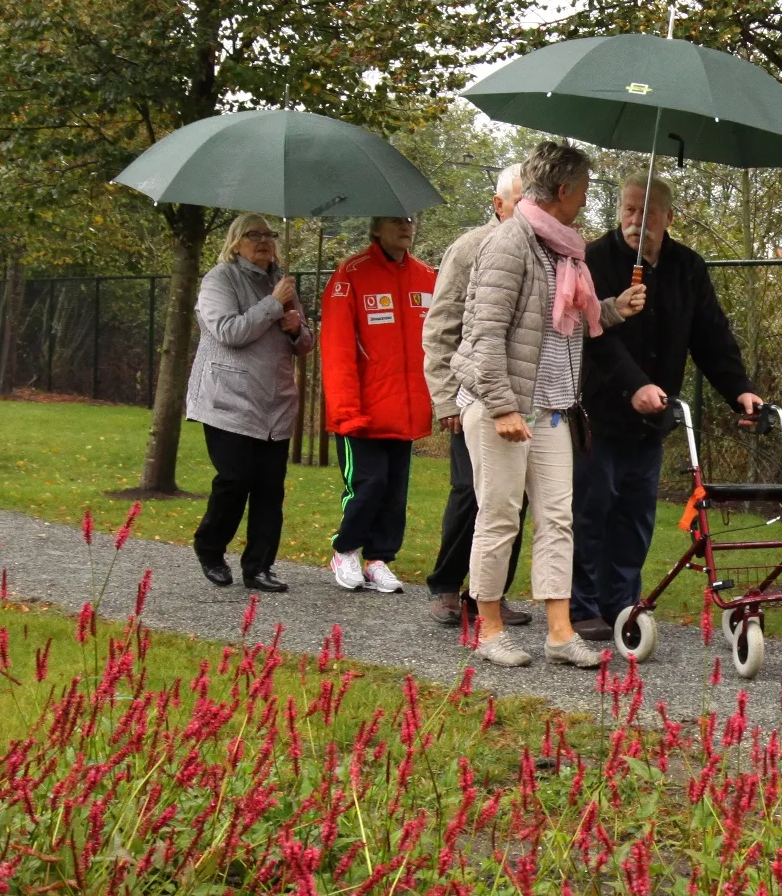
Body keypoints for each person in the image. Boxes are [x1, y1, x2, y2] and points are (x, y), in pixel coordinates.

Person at [454, 141, 645, 668]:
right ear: (562, 190)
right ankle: (489, 630)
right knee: (499, 517)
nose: (586, 201)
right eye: (582, 191)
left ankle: (560, 634)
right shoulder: (510, 243)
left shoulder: (564, 249)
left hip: (554, 407)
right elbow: (485, 334)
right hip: (502, 405)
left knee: (558, 519)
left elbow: (565, 320)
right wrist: (502, 407)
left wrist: (613, 308)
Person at [569, 177, 762, 641]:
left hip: (653, 419)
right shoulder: (594, 260)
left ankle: (622, 607)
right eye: (629, 210)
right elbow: (594, 335)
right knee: (591, 512)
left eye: (648, 212)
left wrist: (739, 390)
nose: (636, 221)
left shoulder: (687, 267)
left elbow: (711, 336)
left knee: (636, 519)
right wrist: (633, 384)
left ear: (668, 217)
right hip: (599, 415)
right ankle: (583, 607)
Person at [422, 163, 531, 629]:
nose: (528, 209)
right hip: (472, 396)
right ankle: (446, 585)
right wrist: (446, 398)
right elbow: (440, 327)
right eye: (520, 201)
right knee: (470, 492)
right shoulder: (469, 248)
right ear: (499, 204)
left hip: (523, 397)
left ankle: (490, 593)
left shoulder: (542, 250)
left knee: (514, 500)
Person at [186, 213, 315, 592]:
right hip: (228, 401)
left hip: (275, 403)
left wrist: (297, 329)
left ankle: (259, 567)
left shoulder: (281, 282)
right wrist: (274, 305)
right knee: (235, 479)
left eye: (268, 234)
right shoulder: (219, 280)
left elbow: (305, 345)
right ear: (236, 242)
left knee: (270, 488)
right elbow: (229, 332)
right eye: (253, 235)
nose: (263, 241)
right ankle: (210, 549)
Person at [320, 215, 435, 592]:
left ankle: (378, 559)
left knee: (394, 492)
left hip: (406, 410)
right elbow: (336, 348)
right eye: (395, 221)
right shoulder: (351, 274)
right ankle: (345, 550)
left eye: (409, 220)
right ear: (376, 229)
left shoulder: (426, 276)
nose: (406, 227)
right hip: (362, 412)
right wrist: (346, 411)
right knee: (367, 484)